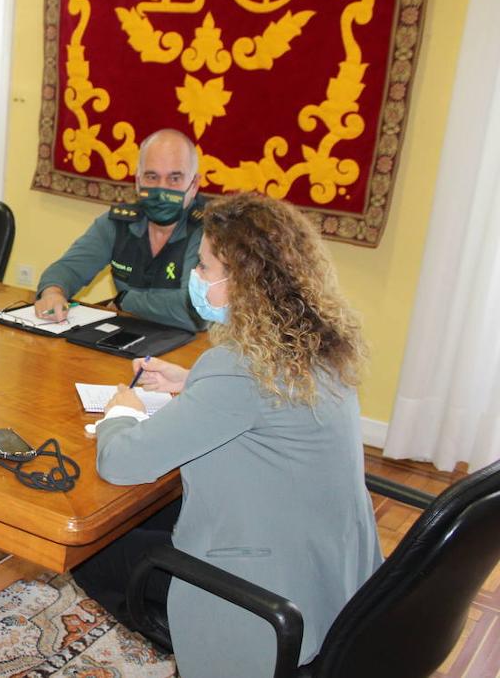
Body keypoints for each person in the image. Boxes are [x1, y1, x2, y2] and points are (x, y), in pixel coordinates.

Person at [73, 192, 382, 678]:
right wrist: (192, 381)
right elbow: (259, 404)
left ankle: (205, 649)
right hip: (330, 575)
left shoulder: (240, 369)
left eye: (203, 267)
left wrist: (121, 413)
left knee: (93, 548)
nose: (195, 278)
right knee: (157, 514)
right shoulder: (319, 345)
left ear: (243, 281)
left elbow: (121, 462)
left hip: (264, 601)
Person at [35, 129, 205, 331]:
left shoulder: (211, 232)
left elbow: (192, 310)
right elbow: (67, 269)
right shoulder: (117, 223)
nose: (162, 189)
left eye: (174, 179)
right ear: (137, 181)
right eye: (151, 177)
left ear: (194, 185)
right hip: (130, 338)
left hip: (194, 350)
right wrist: (53, 293)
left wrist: (126, 300)